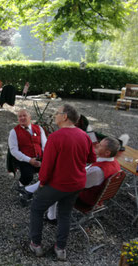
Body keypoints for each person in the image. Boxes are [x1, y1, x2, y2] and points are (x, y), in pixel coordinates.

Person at [29, 104, 96, 261]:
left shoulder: (55, 137)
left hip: (58, 184)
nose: (55, 116)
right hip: (77, 183)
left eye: (57, 113)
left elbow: (46, 165)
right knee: (65, 214)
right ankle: (61, 249)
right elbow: (91, 159)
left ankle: (36, 245)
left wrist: (42, 182)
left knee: (37, 209)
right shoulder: (84, 136)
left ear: (65, 116)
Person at [8, 109, 47, 189]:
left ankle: (42, 188)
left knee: (50, 172)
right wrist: (29, 160)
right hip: (24, 159)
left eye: (24, 115)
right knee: (28, 176)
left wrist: (44, 160)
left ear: (30, 117)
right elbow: (14, 151)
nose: (22, 118)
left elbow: (45, 145)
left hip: (40, 157)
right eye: (20, 116)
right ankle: (22, 185)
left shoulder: (39, 128)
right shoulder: (14, 132)